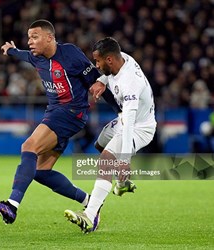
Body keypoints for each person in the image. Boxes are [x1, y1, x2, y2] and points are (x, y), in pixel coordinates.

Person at [0, 20, 121, 224]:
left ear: (49, 37)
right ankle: (91, 203)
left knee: (28, 146)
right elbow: (22, 54)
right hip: (57, 112)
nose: (30, 41)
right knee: (40, 171)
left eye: (35, 37)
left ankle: (11, 205)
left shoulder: (70, 54)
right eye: (29, 37)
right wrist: (10, 50)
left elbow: (95, 80)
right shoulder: (36, 57)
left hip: (70, 112)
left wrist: (121, 111)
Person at [64, 37, 157, 233]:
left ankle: (90, 216)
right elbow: (108, 73)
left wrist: (124, 160)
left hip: (139, 128)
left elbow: (130, 124)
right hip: (123, 120)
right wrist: (100, 80)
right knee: (100, 146)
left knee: (107, 159)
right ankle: (122, 183)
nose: (95, 65)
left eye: (97, 62)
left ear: (109, 60)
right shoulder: (120, 58)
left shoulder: (130, 84)